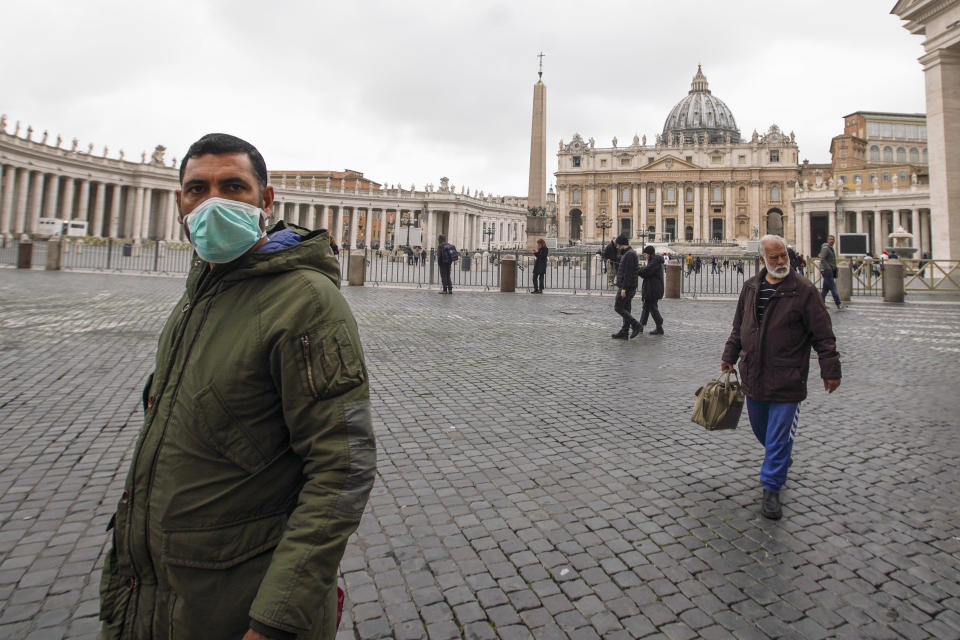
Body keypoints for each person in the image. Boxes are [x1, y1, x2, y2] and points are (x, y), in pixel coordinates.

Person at [98, 134, 376, 640]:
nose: (212, 202)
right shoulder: (198, 295)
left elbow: (343, 466)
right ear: (179, 202)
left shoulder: (307, 303)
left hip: (241, 604)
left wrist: (275, 621)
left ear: (265, 201)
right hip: (160, 593)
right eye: (196, 189)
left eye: (232, 186)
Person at [721, 234, 841, 520]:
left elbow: (822, 334)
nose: (780, 261)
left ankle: (771, 487)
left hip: (789, 376)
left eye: (783, 256)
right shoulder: (750, 288)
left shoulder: (804, 290)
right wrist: (730, 354)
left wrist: (830, 368)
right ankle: (781, 455)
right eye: (774, 257)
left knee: (777, 434)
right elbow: (740, 326)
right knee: (762, 429)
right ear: (763, 259)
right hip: (755, 372)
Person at [611, 234, 643, 339]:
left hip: (627, 287)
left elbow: (629, 273)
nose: (616, 247)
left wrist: (624, 288)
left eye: (617, 245)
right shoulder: (628, 254)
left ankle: (636, 325)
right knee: (626, 309)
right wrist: (617, 282)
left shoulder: (629, 255)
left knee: (618, 307)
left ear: (621, 244)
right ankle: (624, 332)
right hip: (629, 286)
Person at [637, 245, 665, 335]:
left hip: (653, 289)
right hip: (652, 288)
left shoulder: (654, 262)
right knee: (648, 307)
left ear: (649, 254)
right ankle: (642, 326)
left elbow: (646, 272)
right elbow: (646, 271)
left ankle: (658, 323)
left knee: (651, 307)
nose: (644, 256)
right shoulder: (653, 261)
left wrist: (637, 270)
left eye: (645, 254)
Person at [819, 234, 843, 311]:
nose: (832, 241)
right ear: (827, 240)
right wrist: (828, 268)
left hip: (828, 270)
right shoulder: (826, 248)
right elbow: (822, 258)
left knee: (825, 289)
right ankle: (838, 303)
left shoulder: (830, 248)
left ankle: (820, 303)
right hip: (827, 270)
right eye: (830, 239)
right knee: (833, 287)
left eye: (833, 239)